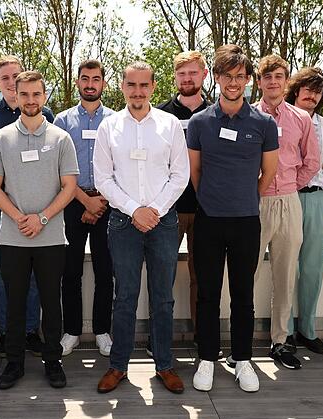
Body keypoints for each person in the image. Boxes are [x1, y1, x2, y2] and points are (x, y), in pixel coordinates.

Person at [94, 61, 189, 394]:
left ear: (153, 87)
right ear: (122, 87)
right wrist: (135, 210)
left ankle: (164, 365)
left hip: (163, 222)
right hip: (122, 222)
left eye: (143, 85)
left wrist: (155, 211)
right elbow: (103, 178)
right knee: (125, 297)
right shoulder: (109, 127)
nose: (137, 91)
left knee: (162, 298)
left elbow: (181, 174)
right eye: (131, 85)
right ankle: (119, 366)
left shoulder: (169, 125)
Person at [188, 45, 279, 393]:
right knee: (208, 294)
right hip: (209, 219)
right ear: (217, 77)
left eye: (240, 76)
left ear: (247, 81)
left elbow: (267, 172)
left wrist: (245, 196)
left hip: (246, 221)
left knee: (243, 295)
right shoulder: (200, 122)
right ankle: (207, 358)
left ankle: (242, 359)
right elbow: (195, 171)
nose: (233, 82)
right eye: (227, 76)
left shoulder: (263, 123)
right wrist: (212, 198)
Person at [0, 71, 79, 389]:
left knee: (51, 301)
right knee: (14, 302)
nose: (29, 100)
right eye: (23, 94)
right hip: (12, 237)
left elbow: (69, 187)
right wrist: (17, 217)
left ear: (44, 96)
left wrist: (41, 218)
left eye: (35, 94)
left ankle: (52, 361)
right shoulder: (1, 138)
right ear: (16, 94)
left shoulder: (60, 139)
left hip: (51, 236)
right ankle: (14, 363)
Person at [0, 55, 54, 357]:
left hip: (35, 207)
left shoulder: (44, 113)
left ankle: (28, 331)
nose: (11, 83)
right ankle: (8, 332)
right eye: (5, 78)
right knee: (2, 272)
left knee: (34, 270)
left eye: (16, 77)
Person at [251, 55, 320, 370]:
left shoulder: (301, 118)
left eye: (279, 76)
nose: (273, 82)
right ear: (259, 81)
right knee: (244, 273)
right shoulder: (248, 116)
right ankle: (241, 341)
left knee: (285, 275)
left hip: (289, 203)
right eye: (267, 77)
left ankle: (279, 342)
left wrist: (291, 185)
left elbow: (312, 161)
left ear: (286, 80)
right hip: (254, 204)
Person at [54, 60, 115, 357]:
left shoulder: (116, 120)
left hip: (108, 205)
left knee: (106, 271)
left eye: (96, 79)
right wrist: (83, 200)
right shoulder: (62, 122)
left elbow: (121, 167)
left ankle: (103, 330)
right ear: (77, 82)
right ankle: (73, 331)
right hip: (72, 203)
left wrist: (99, 200)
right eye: (85, 79)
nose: (90, 84)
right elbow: (57, 168)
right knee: (70, 272)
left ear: (104, 83)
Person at [283, 67, 323, 354]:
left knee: (312, 267)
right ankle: (286, 331)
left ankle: (307, 328)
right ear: (296, 90)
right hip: (285, 198)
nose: (313, 96)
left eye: (318, 91)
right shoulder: (278, 119)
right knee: (286, 266)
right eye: (308, 89)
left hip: (317, 199)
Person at [156, 51, 209, 353]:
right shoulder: (160, 115)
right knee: (162, 277)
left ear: (203, 75)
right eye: (181, 74)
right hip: (167, 210)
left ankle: (203, 337)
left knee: (202, 278)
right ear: (175, 77)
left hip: (205, 211)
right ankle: (159, 338)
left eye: (193, 73)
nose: (187, 79)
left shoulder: (216, 113)